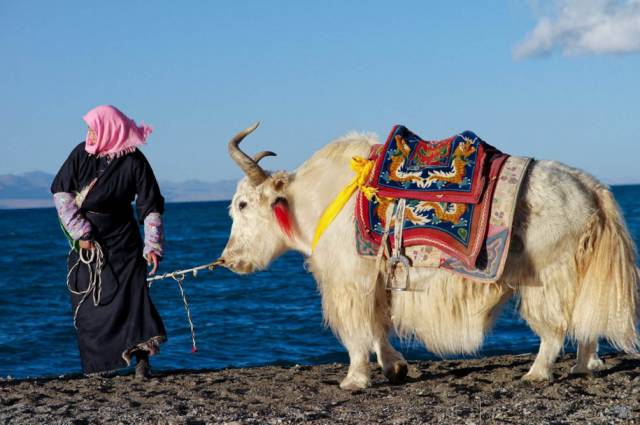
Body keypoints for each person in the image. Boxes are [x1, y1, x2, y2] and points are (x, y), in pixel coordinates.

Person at [51, 105, 166, 379]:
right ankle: (98, 368)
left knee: (133, 300)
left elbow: (150, 207)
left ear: (109, 129)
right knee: (88, 307)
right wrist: (81, 233)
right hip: (87, 242)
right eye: (89, 129)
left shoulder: (135, 161)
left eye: (93, 128)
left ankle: (141, 363)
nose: (89, 134)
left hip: (124, 241)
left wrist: (152, 246)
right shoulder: (81, 153)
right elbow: (61, 194)